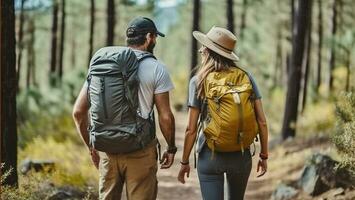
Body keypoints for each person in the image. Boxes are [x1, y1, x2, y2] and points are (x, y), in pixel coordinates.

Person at [73, 16, 176, 200]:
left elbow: (78, 112)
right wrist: (171, 147)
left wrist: (92, 146)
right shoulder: (156, 68)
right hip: (140, 151)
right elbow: (165, 117)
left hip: (107, 150)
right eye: (155, 37)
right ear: (149, 37)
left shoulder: (103, 66)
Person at [177, 26, 269, 200]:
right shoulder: (246, 77)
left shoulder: (198, 80)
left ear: (208, 51)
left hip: (210, 156)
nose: (201, 49)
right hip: (241, 155)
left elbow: (191, 129)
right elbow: (262, 121)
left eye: (204, 47)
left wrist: (184, 161)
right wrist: (264, 155)